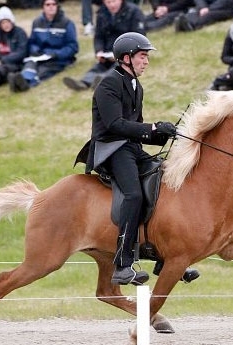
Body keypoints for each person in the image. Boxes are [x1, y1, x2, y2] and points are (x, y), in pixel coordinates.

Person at [76, 32, 199, 285]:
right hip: (110, 149)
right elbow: (115, 125)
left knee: (164, 181)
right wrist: (152, 128)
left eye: (146, 57)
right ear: (126, 58)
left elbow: (137, 128)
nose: (146, 61)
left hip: (130, 148)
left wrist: (163, 134)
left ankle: (165, 255)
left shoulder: (136, 86)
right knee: (133, 194)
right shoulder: (108, 84)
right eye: (143, 56)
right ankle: (122, 265)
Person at [62, 0, 146, 91]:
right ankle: (84, 82)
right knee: (99, 66)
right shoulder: (102, 13)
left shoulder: (134, 12)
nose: (111, 5)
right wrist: (99, 51)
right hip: (109, 53)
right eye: (108, 2)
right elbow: (98, 36)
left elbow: (139, 38)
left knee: (120, 66)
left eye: (114, 1)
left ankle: (104, 80)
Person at [8, 0, 79, 93]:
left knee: (44, 70)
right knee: (30, 64)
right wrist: (35, 50)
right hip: (40, 55)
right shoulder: (37, 22)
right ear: (43, 7)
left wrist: (57, 54)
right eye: (48, 4)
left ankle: (28, 83)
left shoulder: (67, 23)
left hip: (58, 59)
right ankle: (21, 80)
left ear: (57, 6)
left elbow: (73, 47)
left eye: (54, 4)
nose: (51, 7)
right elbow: (32, 41)